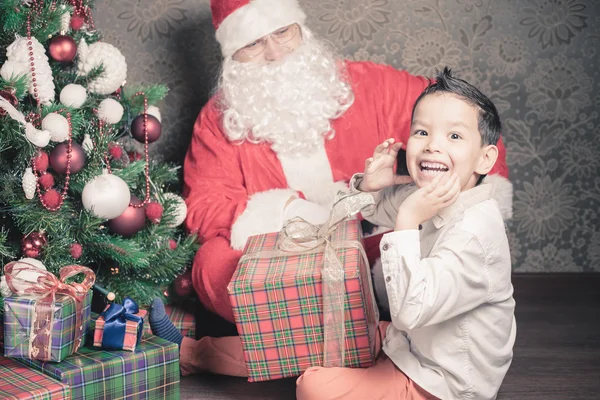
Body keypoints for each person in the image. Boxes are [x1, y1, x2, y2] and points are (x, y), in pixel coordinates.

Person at [150, 67, 516, 399]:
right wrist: (372, 185)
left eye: (454, 135)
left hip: (440, 382)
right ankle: (189, 354)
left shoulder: (475, 235)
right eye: (422, 132)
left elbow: (410, 311)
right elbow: (369, 209)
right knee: (306, 332)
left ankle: (327, 372)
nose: (433, 144)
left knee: (313, 385)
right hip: (406, 345)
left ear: (485, 159)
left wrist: (407, 219)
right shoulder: (435, 195)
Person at [181, 0, 513, 325]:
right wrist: (290, 214)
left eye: (282, 32)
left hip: (375, 247)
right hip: (286, 261)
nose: (275, 53)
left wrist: (472, 207)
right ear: (233, 55)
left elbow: (469, 120)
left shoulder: (371, 84)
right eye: (253, 43)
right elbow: (205, 206)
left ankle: (326, 329)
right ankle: (341, 331)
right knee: (212, 265)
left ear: (300, 29)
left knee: (421, 254)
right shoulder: (219, 120)